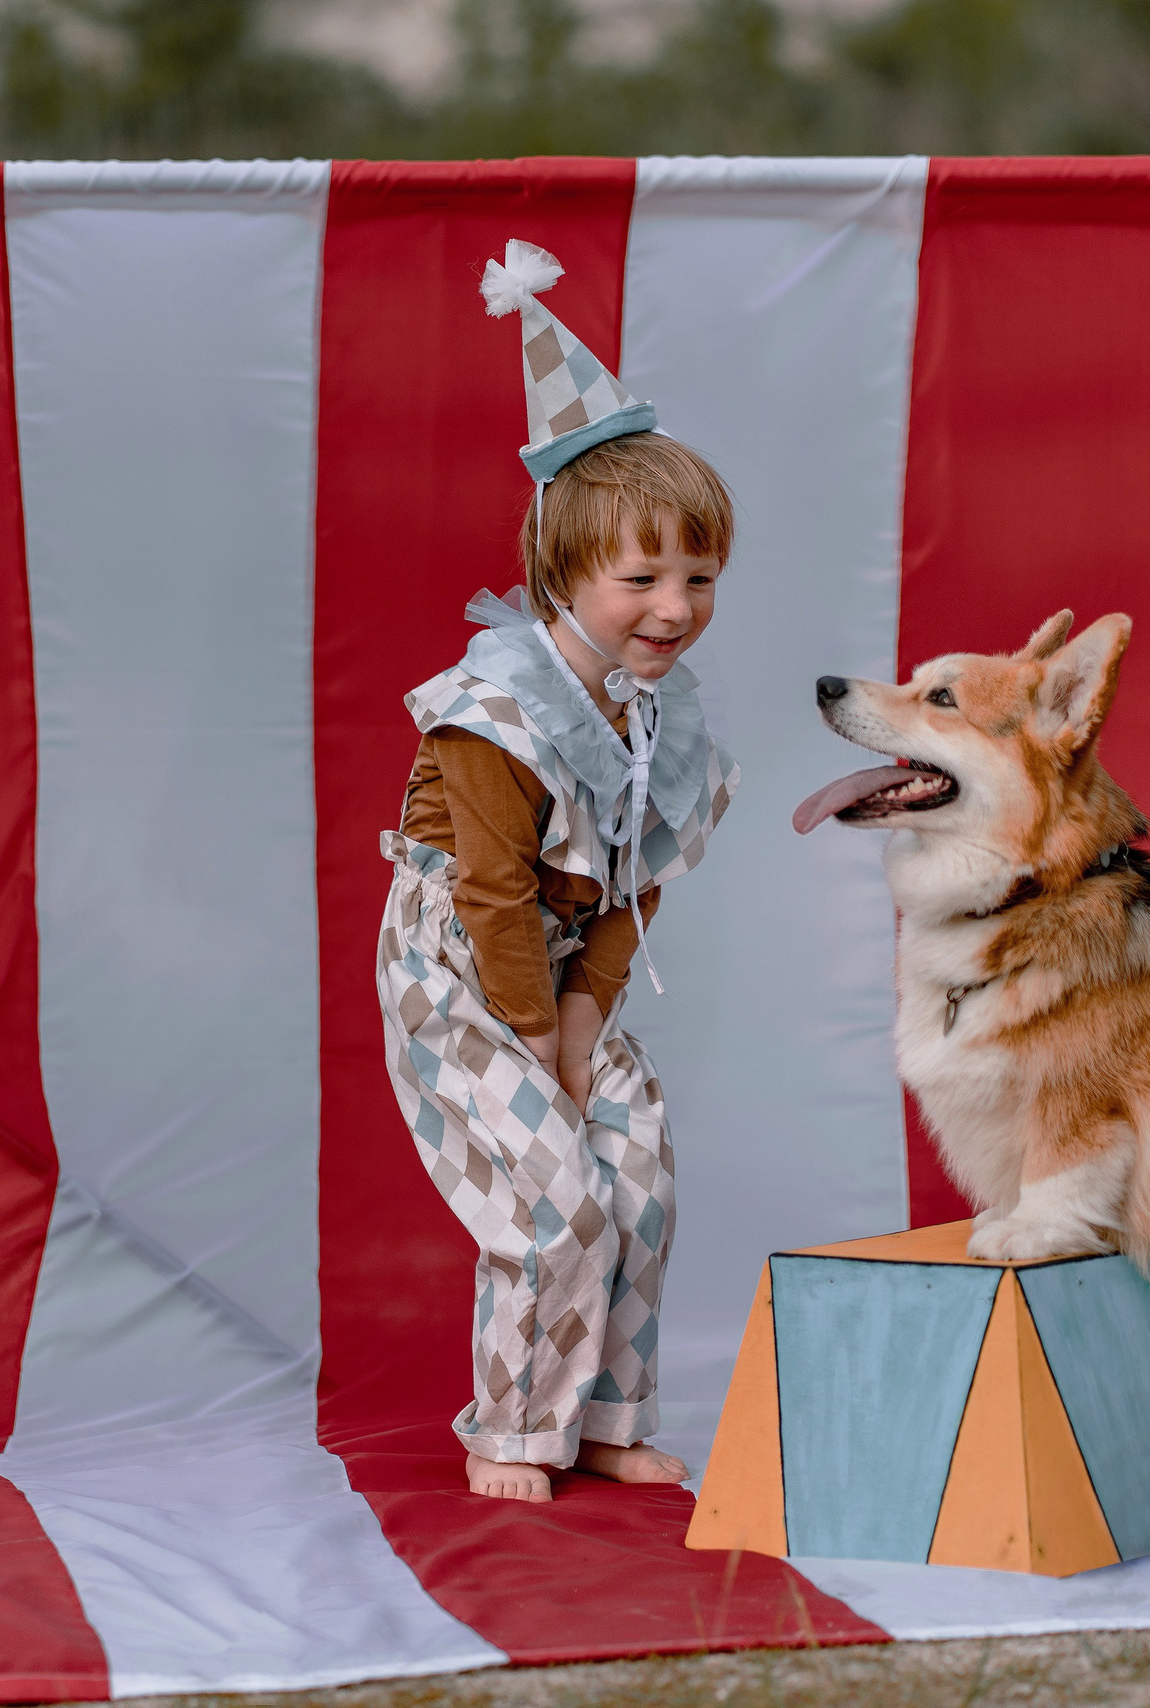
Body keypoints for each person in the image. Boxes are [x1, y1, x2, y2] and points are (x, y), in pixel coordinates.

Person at [376, 241, 740, 1504]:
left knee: (635, 1163)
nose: (675, 605)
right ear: (561, 577)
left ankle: (607, 1414)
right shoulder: (498, 711)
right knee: (556, 1194)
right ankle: (516, 1423)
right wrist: (535, 1031)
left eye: (697, 576)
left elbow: (638, 880)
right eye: (641, 577)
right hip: (465, 967)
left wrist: (588, 1015)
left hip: (563, 964)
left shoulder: (655, 717)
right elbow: (489, 897)